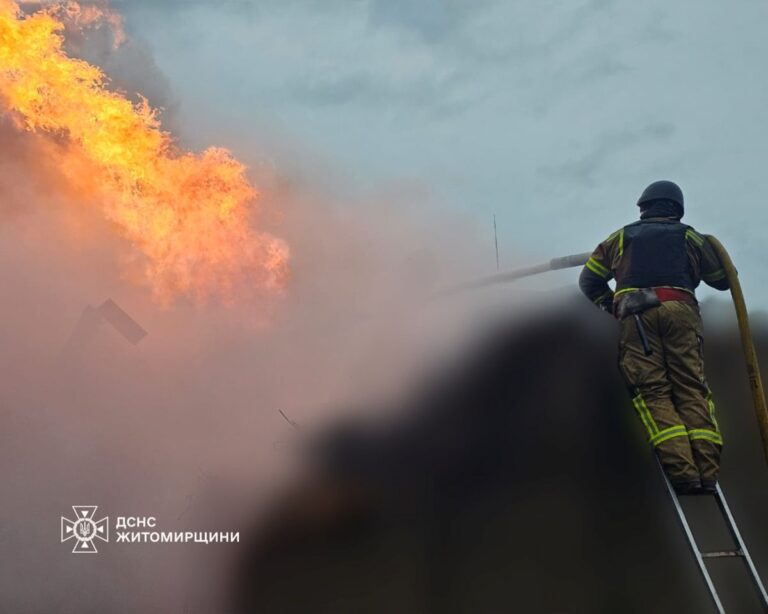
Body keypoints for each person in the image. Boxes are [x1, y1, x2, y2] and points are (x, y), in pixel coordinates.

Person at [579, 180, 729, 494]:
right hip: (681, 311)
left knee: (653, 391)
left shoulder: (621, 237)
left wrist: (612, 307)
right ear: (676, 209)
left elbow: (589, 279)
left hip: (637, 315)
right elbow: (721, 280)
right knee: (691, 387)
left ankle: (683, 473)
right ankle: (708, 473)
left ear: (643, 207)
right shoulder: (691, 236)